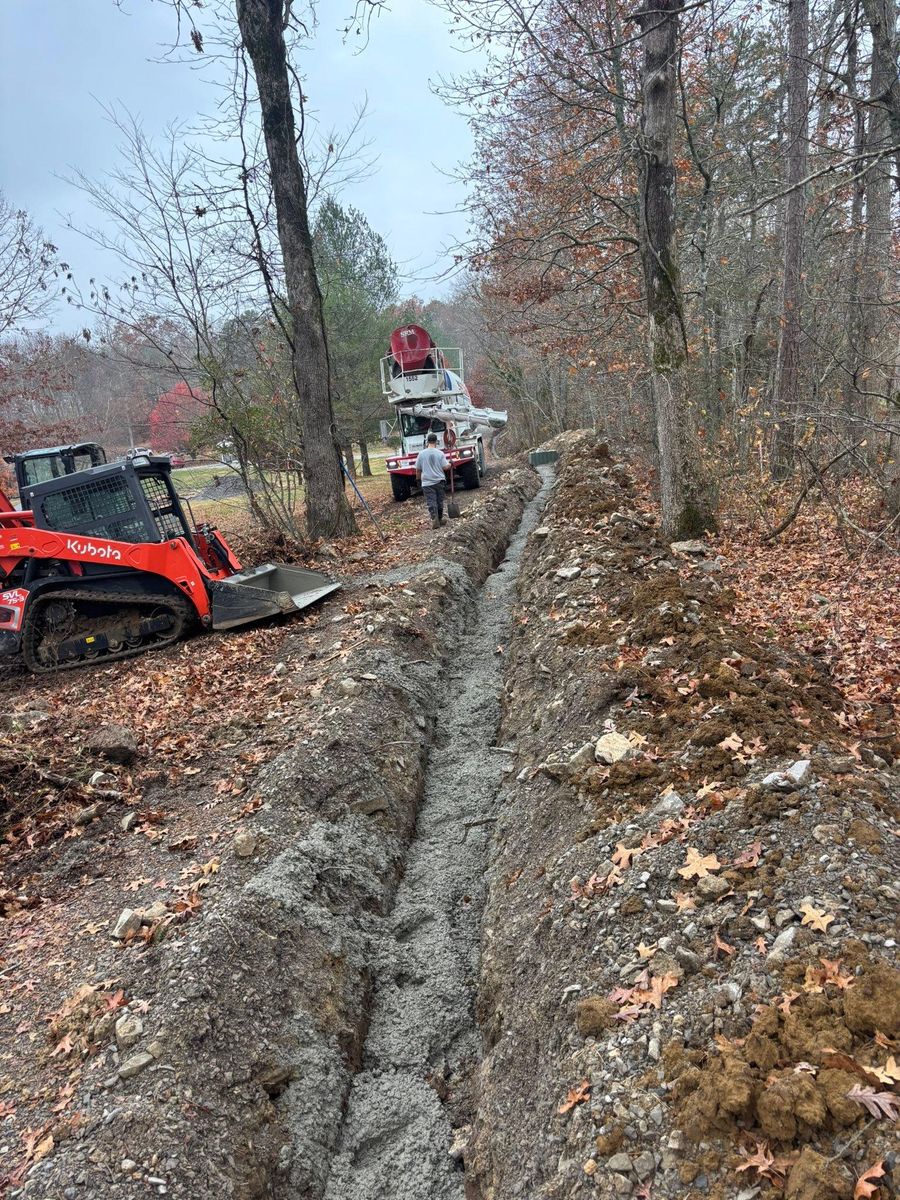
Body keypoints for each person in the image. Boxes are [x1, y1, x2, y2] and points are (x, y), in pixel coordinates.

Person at [415, 432, 449, 529]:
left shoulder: (421, 454)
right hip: (439, 481)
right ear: (436, 442)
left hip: (427, 482)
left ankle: (435, 520)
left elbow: (418, 469)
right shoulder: (440, 453)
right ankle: (440, 518)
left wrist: (418, 481)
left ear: (427, 441)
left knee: (431, 501)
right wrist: (451, 464)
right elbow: (445, 467)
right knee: (439, 500)